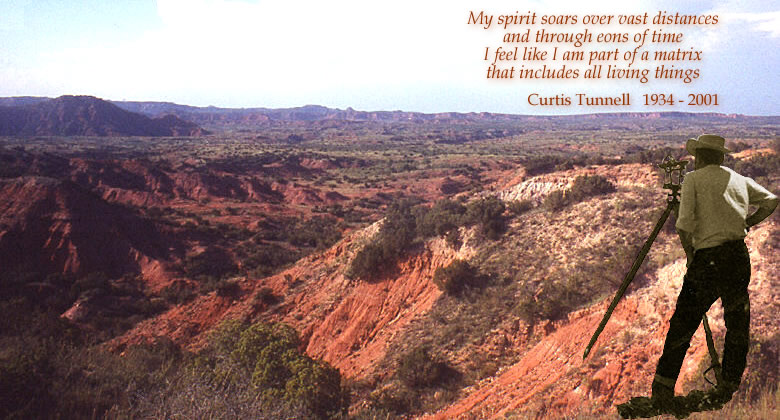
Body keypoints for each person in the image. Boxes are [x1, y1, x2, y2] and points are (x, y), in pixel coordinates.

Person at [651, 134, 778, 409]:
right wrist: (748, 222)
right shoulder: (738, 180)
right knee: (737, 321)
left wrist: (691, 253)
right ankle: (729, 382)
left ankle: (662, 388)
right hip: (737, 257)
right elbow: (770, 201)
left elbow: (684, 226)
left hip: (708, 259)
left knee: (684, 321)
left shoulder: (693, 181)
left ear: (700, 157)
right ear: (720, 157)